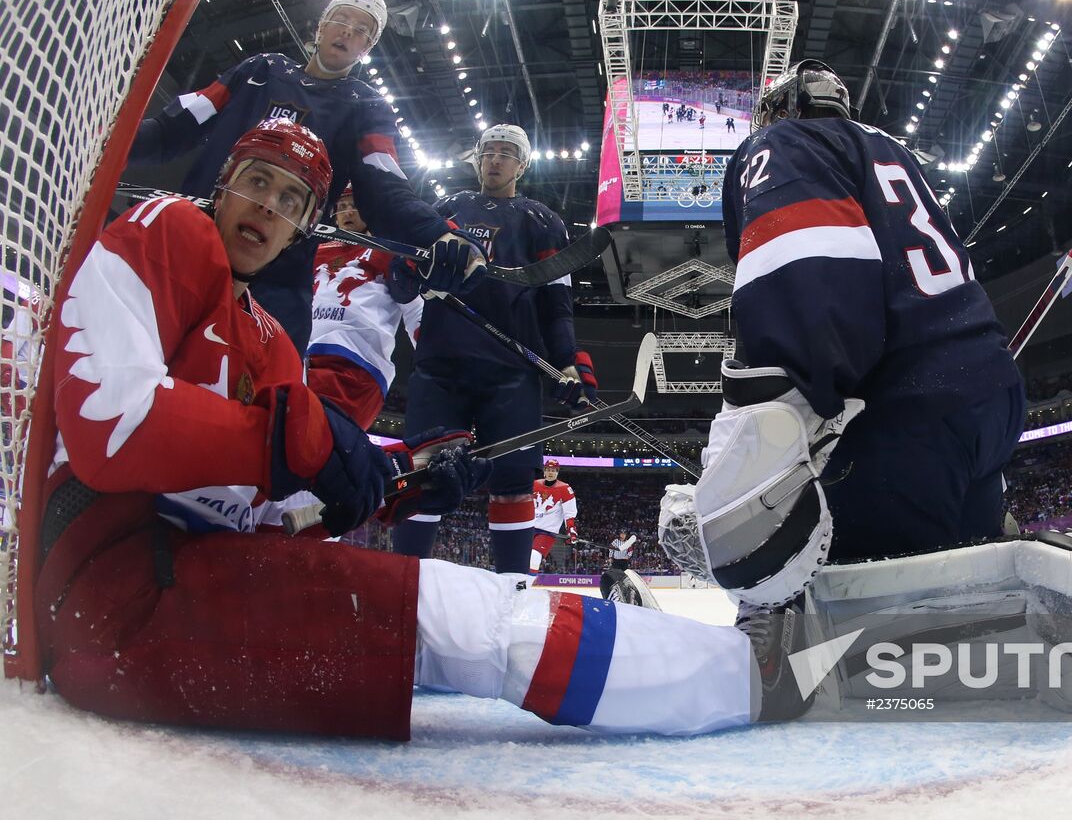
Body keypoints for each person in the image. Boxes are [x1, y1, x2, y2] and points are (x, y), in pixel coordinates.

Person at [37, 118, 775, 740]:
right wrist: (311, 441)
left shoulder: (266, 337)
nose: (269, 206)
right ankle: (753, 679)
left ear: (303, 221)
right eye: (257, 181)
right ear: (224, 179)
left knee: (474, 609)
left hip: (198, 568)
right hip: (121, 594)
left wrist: (387, 482)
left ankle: (741, 672)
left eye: (290, 197)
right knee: (479, 625)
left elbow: (274, 506)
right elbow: (114, 420)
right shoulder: (170, 227)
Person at [666, 59, 1024, 611]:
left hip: (906, 417)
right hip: (990, 395)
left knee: (815, 608)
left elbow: (807, 280)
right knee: (970, 593)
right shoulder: (893, 151)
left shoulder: (785, 142)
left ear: (788, 107)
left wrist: (746, 455)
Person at [127, 0, 474, 352]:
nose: (347, 32)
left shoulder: (366, 106)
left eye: (361, 31)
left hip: (275, 280)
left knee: (265, 398)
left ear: (367, 49)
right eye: (341, 20)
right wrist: (105, 141)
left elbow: (385, 192)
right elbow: (172, 129)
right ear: (321, 26)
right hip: (187, 249)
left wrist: (438, 235)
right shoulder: (259, 71)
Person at [392, 124, 587, 574]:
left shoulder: (542, 220)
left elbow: (556, 304)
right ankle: (403, 583)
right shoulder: (446, 209)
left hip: (511, 371)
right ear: (478, 159)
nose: (495, 160)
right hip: (442, 365)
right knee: (422, 474)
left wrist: (568, 363)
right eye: (489, 152)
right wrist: (405, 271)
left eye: (506, 154)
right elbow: (404, 275)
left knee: (514, 483)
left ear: (522, 165)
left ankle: (513, 593)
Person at [305, 185, 422, 429]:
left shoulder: (389, 252)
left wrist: (436, 359)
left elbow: (414, 309)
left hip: (355, 365)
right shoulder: (315, 251)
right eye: (342, 207)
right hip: (301, 358)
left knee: (318, 444)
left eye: (354, 206)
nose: (347, 213)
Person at [528, 459, 578, 579]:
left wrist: (571, 529)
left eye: (553, 470)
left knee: (534, 556)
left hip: (547, 532)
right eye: (548, 470)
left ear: (557, 472)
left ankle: (526, 585)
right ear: (544, 471)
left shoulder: (565, 489)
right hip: (528, 528)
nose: (551, 472)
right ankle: (517, 581)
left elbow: (569, 513)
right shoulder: (534, 484)